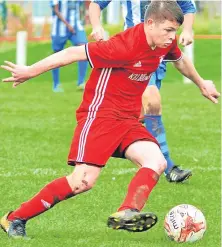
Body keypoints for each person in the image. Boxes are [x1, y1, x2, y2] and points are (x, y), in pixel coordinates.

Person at [0, 1, 220, 239]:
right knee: (82, 182)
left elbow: (179, 59)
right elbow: (73, 52)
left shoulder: (163, 43)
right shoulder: (122, 46)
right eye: (167, 30)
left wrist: (201, 83)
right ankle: (14, 218)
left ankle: (128, 211)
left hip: (128, 120)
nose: (171, 37)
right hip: (100, 117)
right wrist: (30, 71)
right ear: (149, 23)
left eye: (174, 31)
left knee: (156, 161)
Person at [89, 0, 196, 183]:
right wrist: (97, 26)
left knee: (140, 113)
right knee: (152, 101)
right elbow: (96, 4)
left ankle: (133, 150)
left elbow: (187, 7)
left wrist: (187, 30)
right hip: (134, 50)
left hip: (160, 53)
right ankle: (168, 167)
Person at [51, 0, 88, 92]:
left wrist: (85, 16)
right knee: (57, 54)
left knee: (84, 49)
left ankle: (81, 82)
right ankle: (56, 84)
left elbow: (84, 4)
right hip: (60, 28)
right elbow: (55, 10)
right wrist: (67, 24)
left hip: (76, 26)